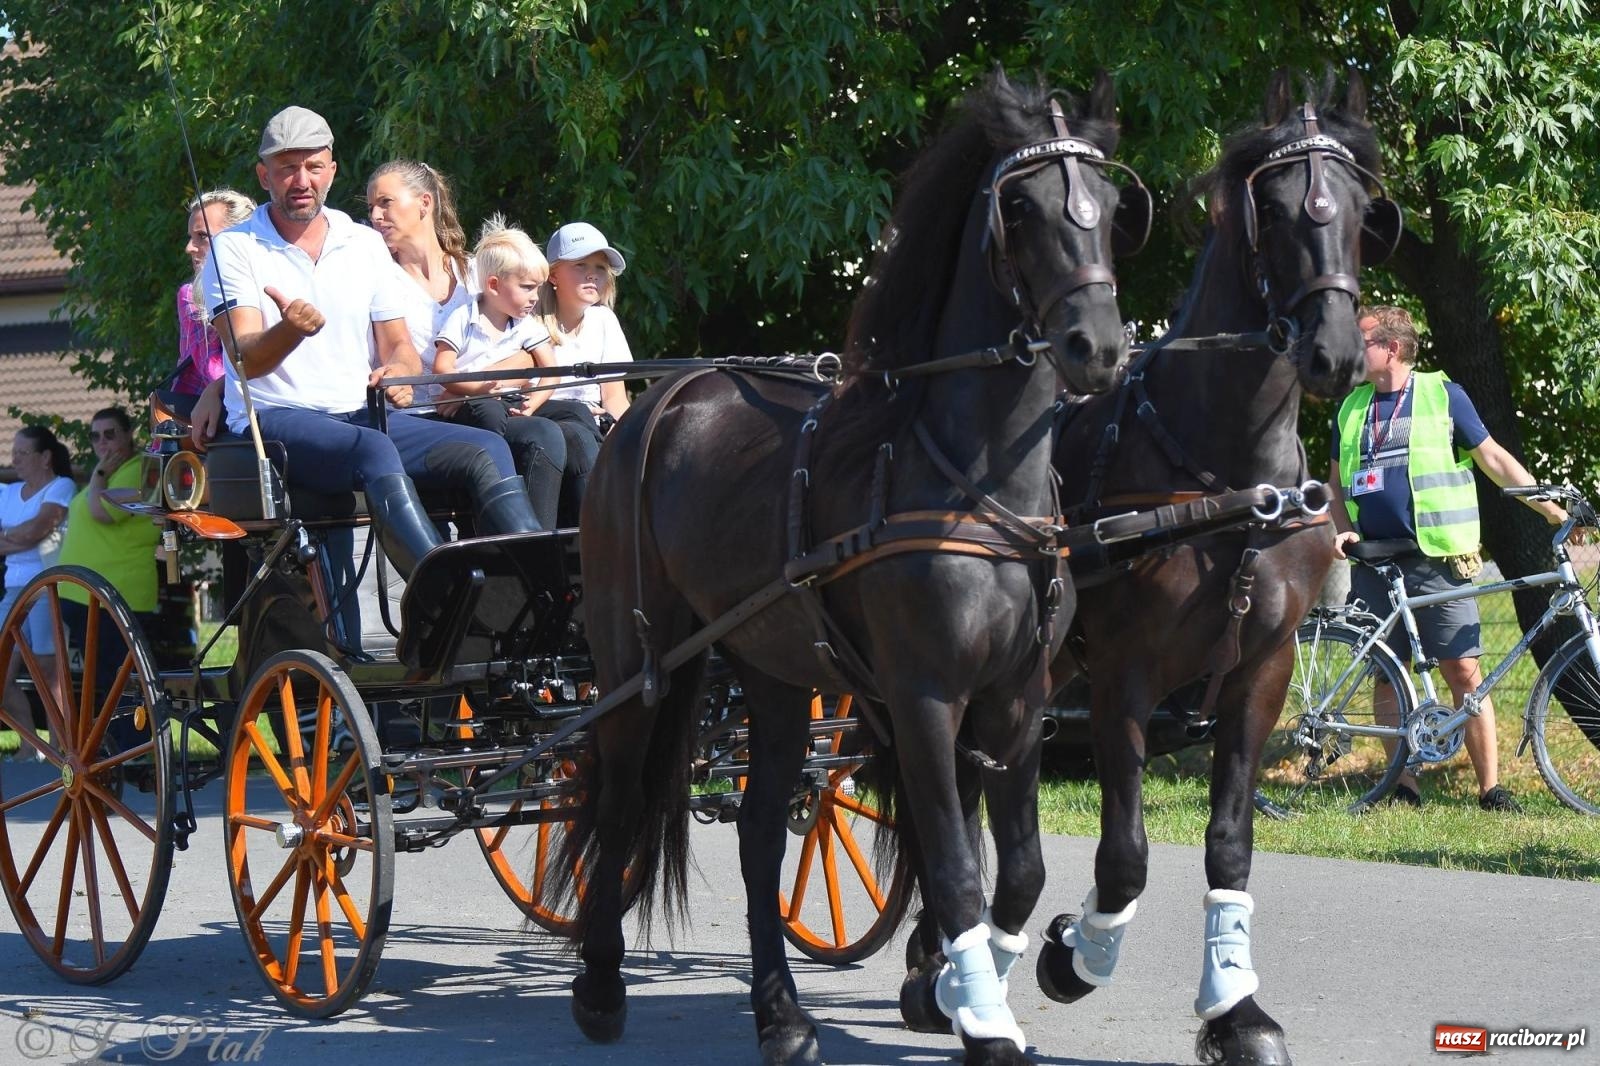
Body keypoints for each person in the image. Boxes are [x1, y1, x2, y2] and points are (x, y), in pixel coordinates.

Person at [196, 105, 541, 578]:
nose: (302, 180)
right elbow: (244, 360)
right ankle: (442, 588)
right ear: (263, 176)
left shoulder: (362, 243)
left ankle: (540, 586)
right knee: (372, 449)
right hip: (278, 422)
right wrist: (290, 329)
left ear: (332, 171)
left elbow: (397, 345)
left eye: (314, 166)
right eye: (287, 168)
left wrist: (398, 371)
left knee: (485, 448)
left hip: (360, 413)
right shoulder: (235, 248)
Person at [1328, 305, 1566, 812]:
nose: (1352, 347)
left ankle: (1490, 789)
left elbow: (1495, 459)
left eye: (1361, 339)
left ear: (1390, 348)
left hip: (1435, 557)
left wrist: (1549, 508)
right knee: (1386, 673)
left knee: (1463, 670)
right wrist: (1344, 531)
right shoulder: (1351, 408)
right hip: (1373, 561)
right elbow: (1334, 482)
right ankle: (1403, 787)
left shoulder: (1443, 396)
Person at [367, 160, 565, 527]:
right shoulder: (379, 280)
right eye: (371, 208)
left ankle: (566, 558)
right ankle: (524, 561)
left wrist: (461, 386)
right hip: (419, 419)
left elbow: (532, 353)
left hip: (480, 404)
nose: (376, 216)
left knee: (568, 432)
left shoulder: (475, 271)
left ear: (424, 203)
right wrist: (457, 385)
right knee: (536, 437)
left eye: (386, 203)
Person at [431, 217, 567, 526]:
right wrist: (474, 390)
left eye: (538, 288)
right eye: (527, 288)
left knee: (562, 417)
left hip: (508, 401)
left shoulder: (524, 324)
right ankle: (492, 481)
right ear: (494, 285)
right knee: (490, 414)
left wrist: (537, 400)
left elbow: (552, 368)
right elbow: (442, 368)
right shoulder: (464, 318)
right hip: (471, 403)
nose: (535, 297)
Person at [56, 408, 163, 690]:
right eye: (95, 436)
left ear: (129, 435)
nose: (102, 442)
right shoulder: (111, 473)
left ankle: (132, 736)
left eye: (110, 434)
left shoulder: (141, 469)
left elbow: (101, 512)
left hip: (116, 594)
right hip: (87, 594)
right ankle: (113, 735)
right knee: (105, 682)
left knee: (120, 683)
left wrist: (99, 474)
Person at [536, 221, 634, 519]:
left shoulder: (604, 321)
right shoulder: (532, 323)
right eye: (580, 265)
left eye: (601, 268)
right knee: (579, 439)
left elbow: (615, 398)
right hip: (551, 422)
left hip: (595, 426)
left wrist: (627, 433)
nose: (593, 274)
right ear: (553, 274)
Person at [0, 425, 75, 732]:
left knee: (48, 670)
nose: (15, 459)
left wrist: (10, 536)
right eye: (13, 452)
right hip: (13, 588)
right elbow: (31, 534)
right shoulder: (7, 493)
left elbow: (39, 528)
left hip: (47, 587)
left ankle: (62, 746)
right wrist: (23, 538)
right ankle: (31, 746)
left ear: (45, 457)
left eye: (22, 452)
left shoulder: (61, 486)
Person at [176, 190, 256, 398]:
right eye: (191, 237)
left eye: (202, 237)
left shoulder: (268, 286)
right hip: (213, 422)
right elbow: (212, 370)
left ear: (237, 239)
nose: (189, 248)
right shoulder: (191, 297)